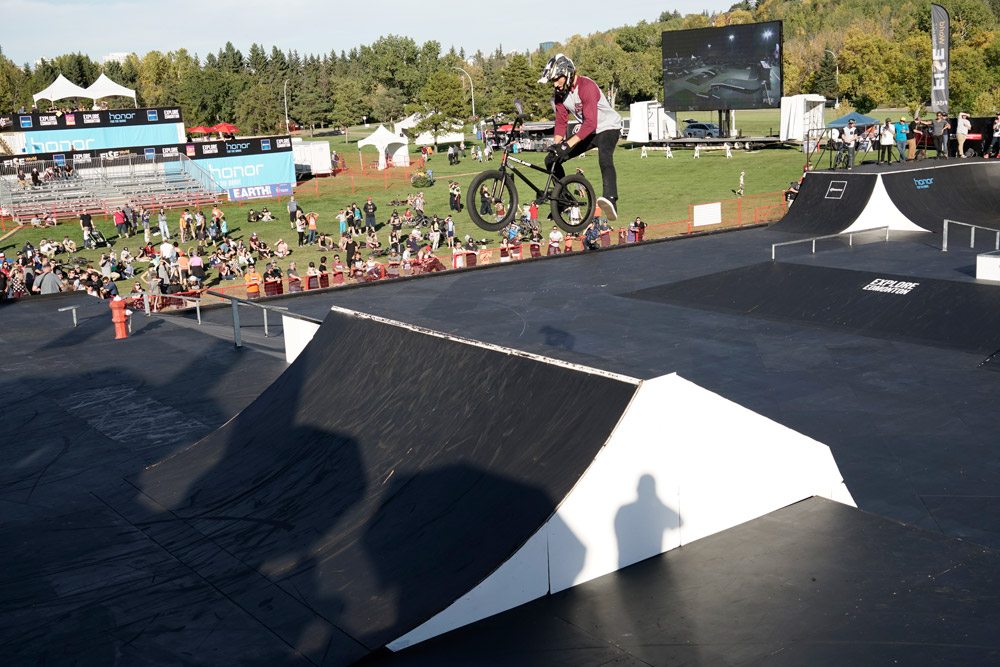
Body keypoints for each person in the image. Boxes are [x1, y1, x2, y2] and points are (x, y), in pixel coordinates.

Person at [539, 53, 622, 220]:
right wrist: (557, 145)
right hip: (589, 131)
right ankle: (562, 199)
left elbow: (591, 122)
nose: (555, 84)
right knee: (551, 159)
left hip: (608, 127)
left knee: (605, 157)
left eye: (557, 79)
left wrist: (567, 144)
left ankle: (611, 199)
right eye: (552, 81)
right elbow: (561, 121)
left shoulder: (586, 87)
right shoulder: (560, 94)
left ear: (568, 73)